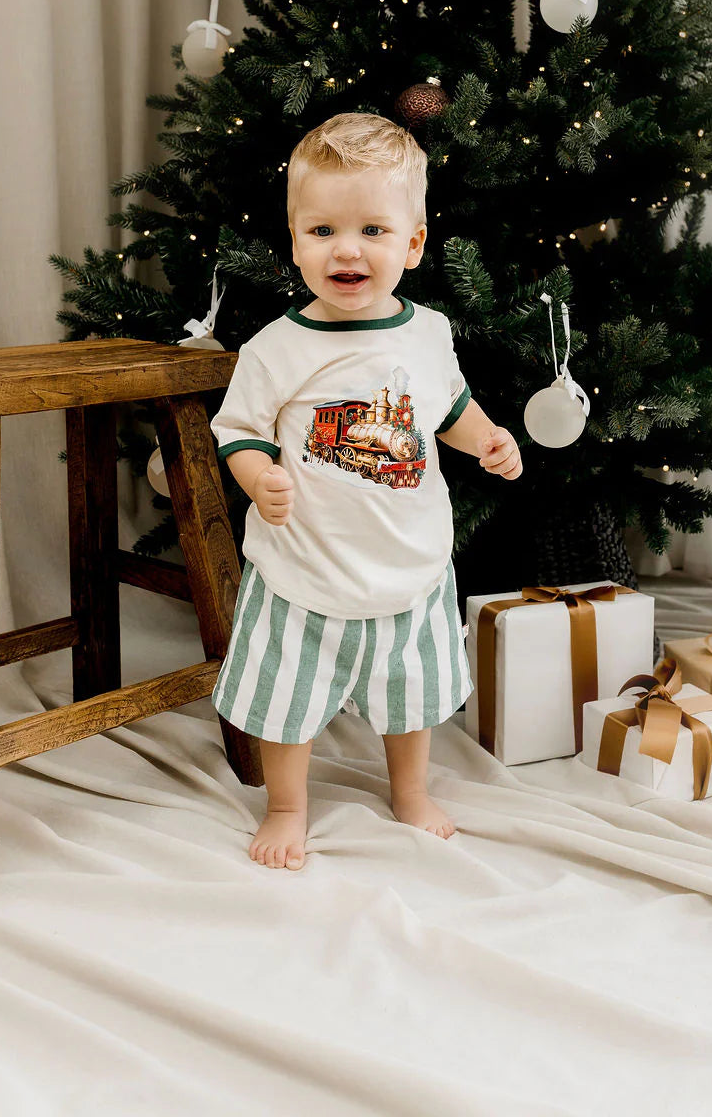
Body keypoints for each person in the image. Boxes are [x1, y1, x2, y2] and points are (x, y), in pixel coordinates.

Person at [210, 111, 522, 869]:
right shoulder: (277, 348)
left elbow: (448, 408)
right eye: (322, 231)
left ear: (412, 244)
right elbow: (238, 429)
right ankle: (287, 805)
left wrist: (486, 437)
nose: (346, 249)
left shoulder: (428, 332)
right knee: (288, 698)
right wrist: (259, 477)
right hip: (305, 568)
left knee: (409, 694)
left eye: (372, 231)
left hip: (408, 562)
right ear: (296, 243)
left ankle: (410, 791)